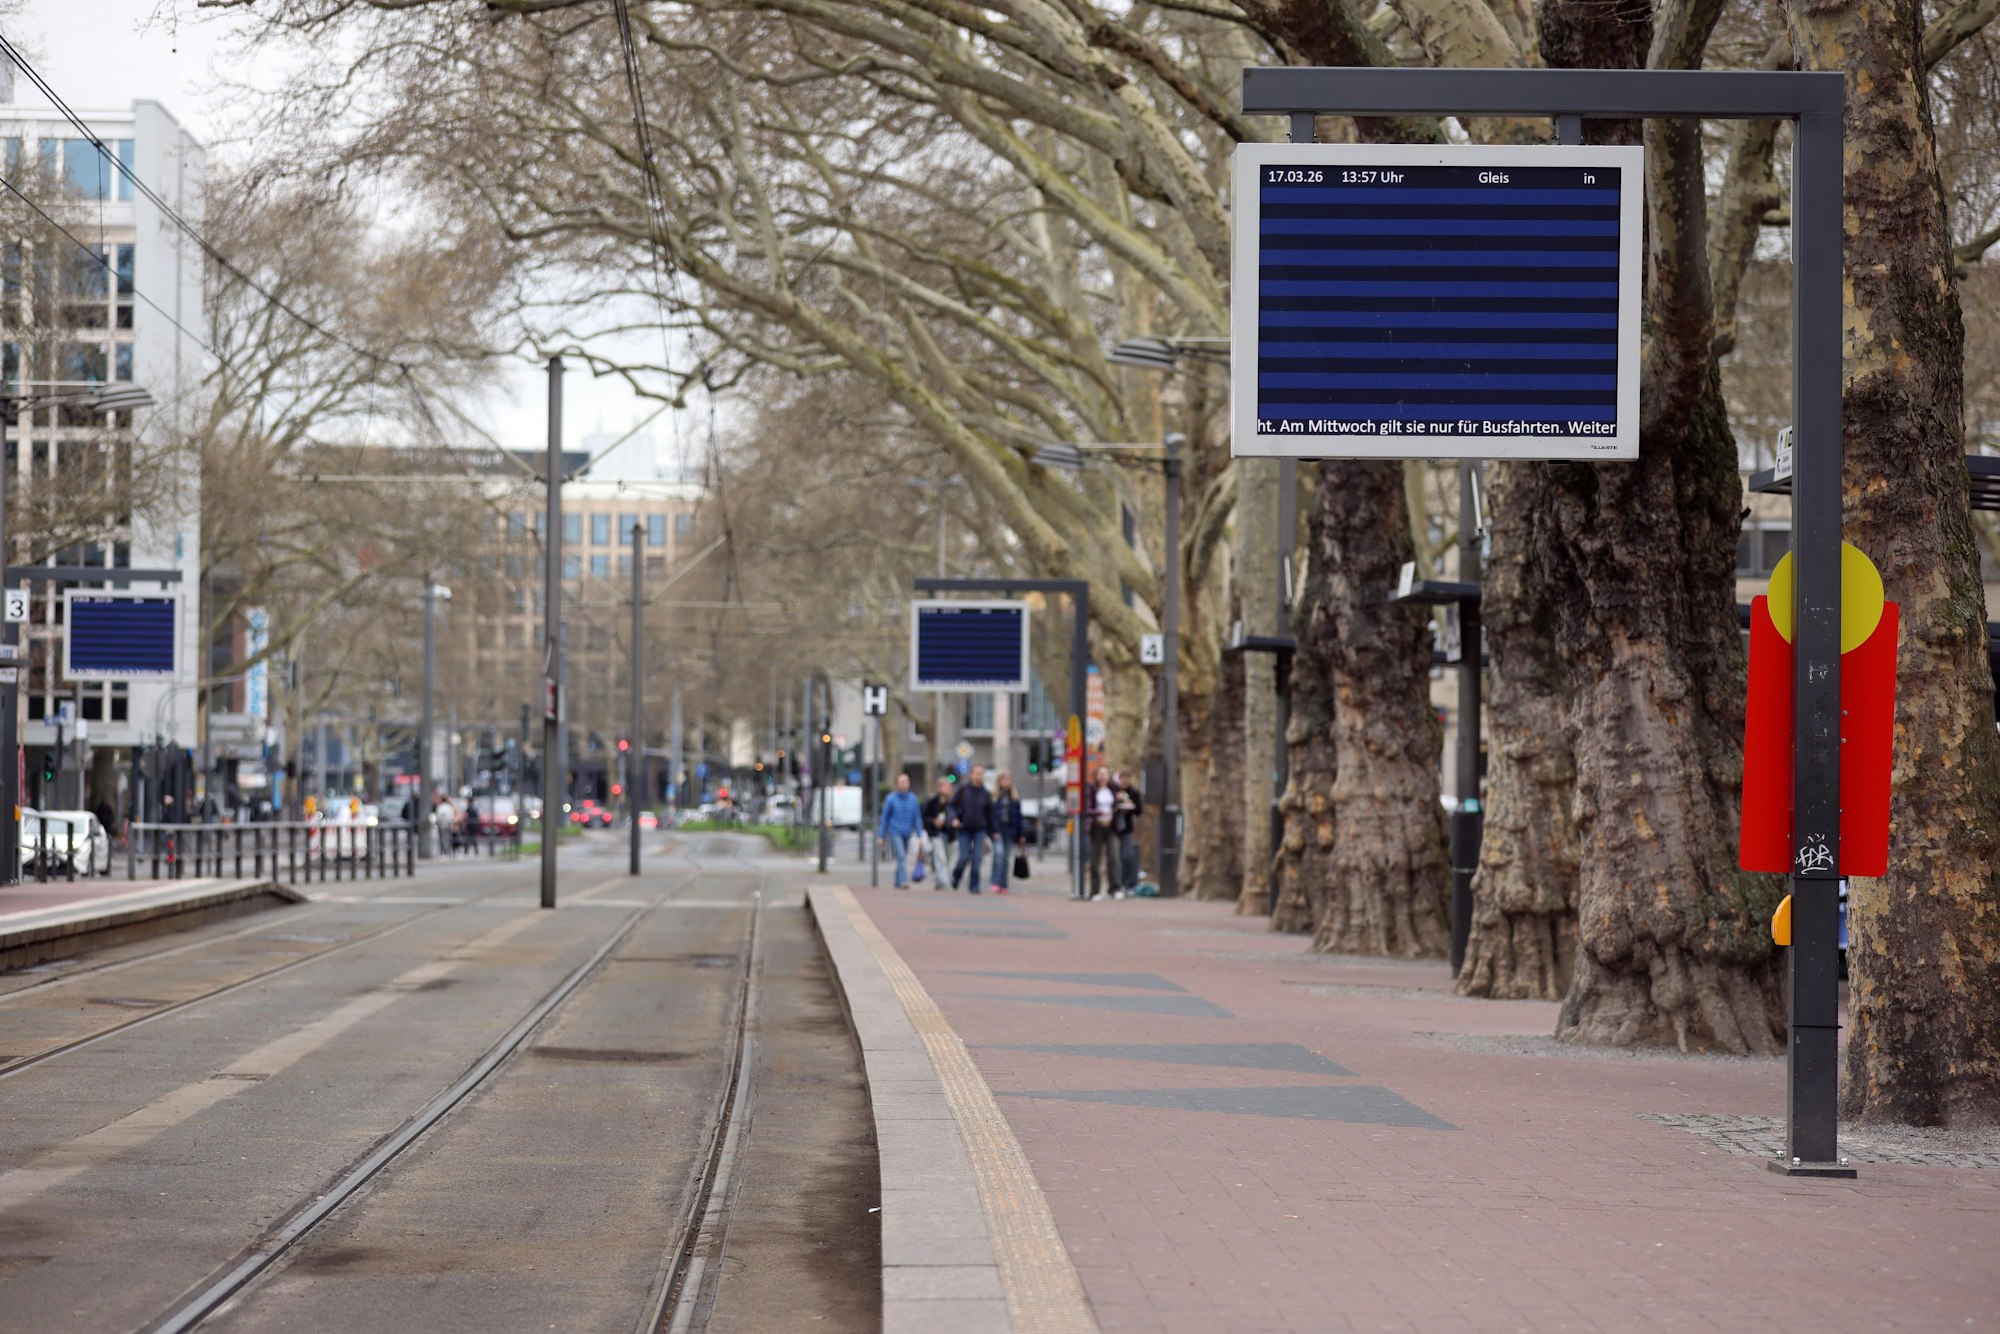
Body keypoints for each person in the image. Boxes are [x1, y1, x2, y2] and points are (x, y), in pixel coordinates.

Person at [949, 764, 994, 892]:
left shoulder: (986, 793)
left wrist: (993, 832)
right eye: (976, 773)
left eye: (981, 773)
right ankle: (956, 875)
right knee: (964, 857)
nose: (978, 775)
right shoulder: (963, 790)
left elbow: (990, 814)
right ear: (971, 774)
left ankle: (974, 885)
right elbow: (951, 806)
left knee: (977, 858)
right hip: (964, 828)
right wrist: (954, 819)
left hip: (980, 829)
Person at [877, 773, 923, 889]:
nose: (904, 784)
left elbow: (917, 817)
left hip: (907, 832)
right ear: (897, 784)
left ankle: (897, 883)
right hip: (895, 832)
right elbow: (885, 818)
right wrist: (881, 835)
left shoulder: (913, 799)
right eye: (901, 782)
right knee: (901, 856)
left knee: (901, 858)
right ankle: (903, 881)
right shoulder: (891, 799)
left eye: (906, 781)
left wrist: (919, 834)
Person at [989, 770, 1026, 894]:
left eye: (1008, 780)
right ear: (999, 781)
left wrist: (1021, 834)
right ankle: (995, 882)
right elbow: (990, 816)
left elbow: (1019, 817)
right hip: (997, 830)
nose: (1006, 782)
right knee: (998, 854)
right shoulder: (994, 796)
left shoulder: (1014, 797)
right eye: (1004, 780)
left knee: (1006, 858)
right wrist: (992, 830)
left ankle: (1003, 884)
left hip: (1010, 830)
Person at [1086, 765, 1119, 900]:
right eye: (1101, 773)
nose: (1104, 776)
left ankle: (1114, 888)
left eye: (1106, 773)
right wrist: (1100, 812)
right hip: (1097, 827)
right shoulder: (1092, 790)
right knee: (1095, 859)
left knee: (1114, 857)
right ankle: (1095, 890)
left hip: (1111, 827)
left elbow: (1119, 805)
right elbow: (1088, 808)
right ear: (1097, 776)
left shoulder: (1114, 790)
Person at [1113, 770, 1145, 896]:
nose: (1125, 781)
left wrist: (1130, 806)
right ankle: (1116, 884)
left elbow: (1139, 811)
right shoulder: (1113, 791)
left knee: (1128, 856)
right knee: (1115, 857)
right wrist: (1117, 802)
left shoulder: (1133, 792)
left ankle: (1128, 884)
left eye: (1127, 778)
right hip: (1113, 829)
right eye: (1122, 778)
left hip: (1126, 829)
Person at [921, 779, 955, 889]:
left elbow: (958, 814)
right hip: (936, 834)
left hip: (949, 835)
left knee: (947, 859)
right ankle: (946, 884)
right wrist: (933, 821)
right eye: (944, 787)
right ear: (939, 788)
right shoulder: (932, 801)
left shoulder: (953, 802)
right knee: (941, 859)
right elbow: (924, 816)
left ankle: (939, 882)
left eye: (949, 787)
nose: (947, 789)